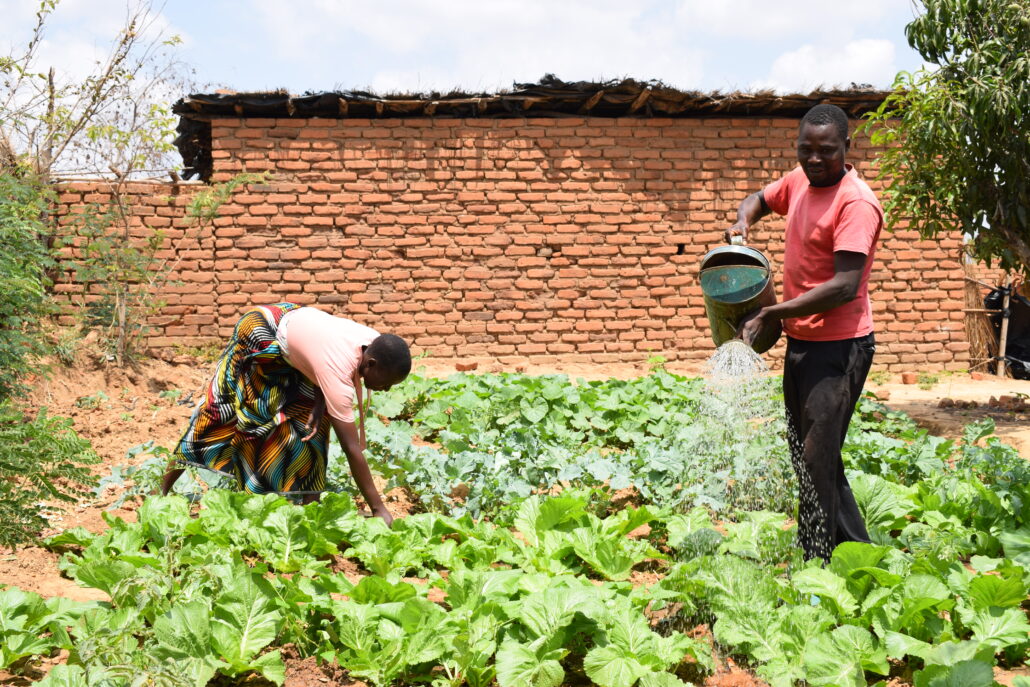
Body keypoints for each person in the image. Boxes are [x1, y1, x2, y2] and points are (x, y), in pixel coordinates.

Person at [725, 104, 882, 561]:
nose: (814, 160)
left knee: (816, 457)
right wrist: (743, 221)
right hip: (803, 342)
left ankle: (817, 562)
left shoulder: (856, 203)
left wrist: (772, 313)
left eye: (826, 151)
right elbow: (758, 197)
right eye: (805, 150)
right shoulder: (799, 181)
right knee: (813, 456)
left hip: (839, 347)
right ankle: (857, 552)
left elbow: (843, 286)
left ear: (847, 148)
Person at [161, 303, 411, 524]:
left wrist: (317, 404)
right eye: (387, 382)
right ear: (371, 364)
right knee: (222, 413)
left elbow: (319, 354)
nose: (386, 388)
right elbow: (351, 448)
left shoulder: (374, 344)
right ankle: (159, 493)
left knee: (313, 425)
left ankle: (310, 510)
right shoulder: (341, 368)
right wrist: (379, 509)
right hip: (261, 332)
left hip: (296, 344)